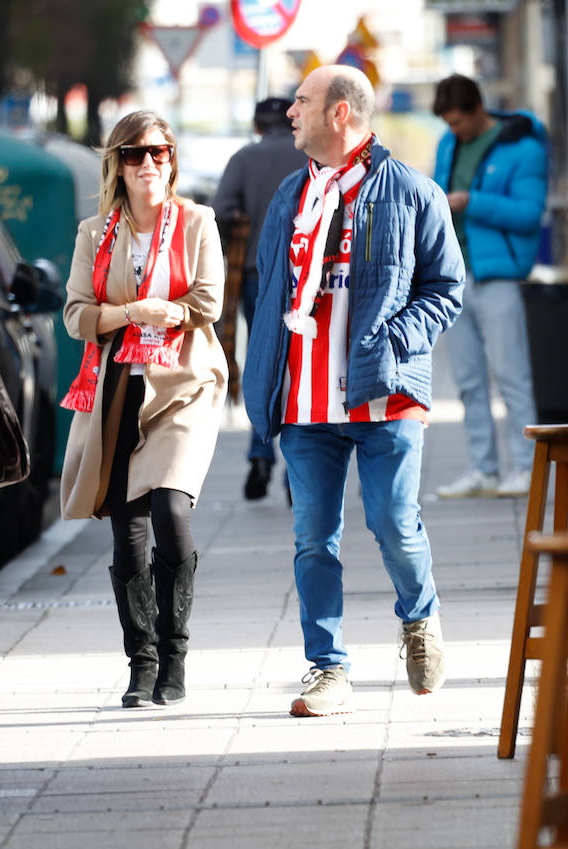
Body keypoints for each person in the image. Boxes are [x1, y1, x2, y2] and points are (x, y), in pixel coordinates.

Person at [243, 65, 465, 717]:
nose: (290, 112)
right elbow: (267, 287)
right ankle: (327, 668)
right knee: (314, 537)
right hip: (306, 407)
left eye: (303, 102)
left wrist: (396, 342)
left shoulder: (408, 190)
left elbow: (446, 288)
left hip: (384, 396)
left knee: (393, 523)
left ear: (341, 113)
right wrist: (264, 374)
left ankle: (420, 620)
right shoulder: (289, 195)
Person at [59, 110, 227, 708]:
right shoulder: (94, 233)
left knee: (171, 514)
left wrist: (170, 312)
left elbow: (208, 299)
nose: (148, 163)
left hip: (182, 385)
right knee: (127, 532)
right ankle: (142, 661)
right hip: (118, 390)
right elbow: (77, 315)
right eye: (134, 155)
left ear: (172, 160)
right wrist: (132, 314)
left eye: (159, 152)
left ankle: (174, 656)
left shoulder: (196, 222)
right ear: (118, 165)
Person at [430, 74, 549, 499]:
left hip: (499, 278)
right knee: (468, 380)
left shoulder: (524, 148)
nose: (453, 130)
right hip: (454, 278)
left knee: (511, 376)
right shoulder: (448, 144)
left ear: (479, 108)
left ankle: (527, 466)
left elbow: (529, 214)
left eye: (458, 121)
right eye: (448, 123)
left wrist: (471, 202)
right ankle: (484, 469)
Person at [212, 97, 308, 500]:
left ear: (256, 125)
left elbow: (220, 211)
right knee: (301, 366)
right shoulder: (308, 155)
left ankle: (259, 453)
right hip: (305, 274)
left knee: (263, 361)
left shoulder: (243, 158)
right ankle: (295, 471)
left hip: (256, 274)